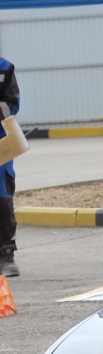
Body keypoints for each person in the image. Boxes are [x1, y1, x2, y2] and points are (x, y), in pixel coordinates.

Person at [0, 56, 19, 278]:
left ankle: (6, 253)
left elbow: (12, 104)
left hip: (1, 144)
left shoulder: (4, 68)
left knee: (2, 196)